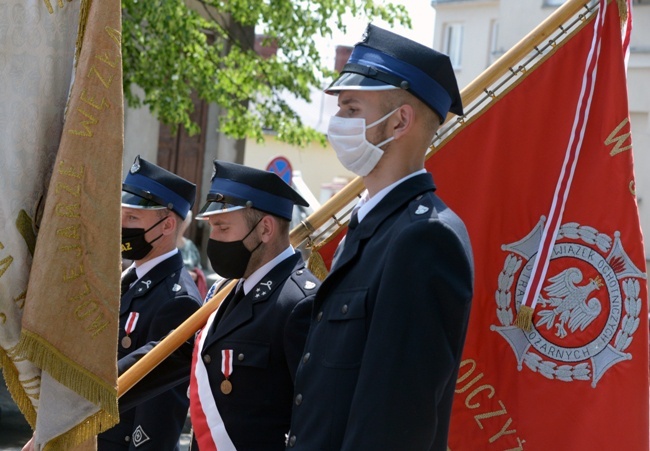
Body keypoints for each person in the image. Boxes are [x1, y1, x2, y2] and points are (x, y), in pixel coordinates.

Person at [286, 24, 474, 450]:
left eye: (352, 109)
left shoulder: (424, 238)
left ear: (400, 121)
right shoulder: (373, 226)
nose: (338, 122)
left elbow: (395, 421)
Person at [188, 161, 320, 450]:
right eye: (212, 228)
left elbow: (315, 418)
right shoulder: (229, 291)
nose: (213, 241)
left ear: (265, 229)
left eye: (222, 227)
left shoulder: (299, 303)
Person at [97, 156, 203, 450]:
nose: (122, 227)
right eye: (121, 217)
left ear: (168, 224)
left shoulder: (177, 300)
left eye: (132, 219)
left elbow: (159, 409)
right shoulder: (122, 279)